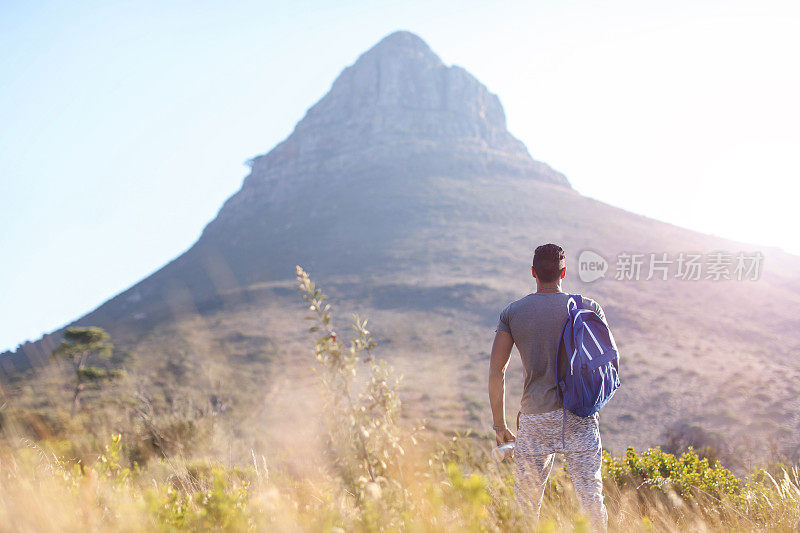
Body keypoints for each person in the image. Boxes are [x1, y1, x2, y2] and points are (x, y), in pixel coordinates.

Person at [488, 243, 609, 531]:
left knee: (527, 504)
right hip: (579, 414)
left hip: (535, 418)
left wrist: (498, 425)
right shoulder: (587, 307)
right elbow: (605, 362)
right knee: (591, 498)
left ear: (533, 273)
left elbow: (496, 370)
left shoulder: (513, 313)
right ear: (563, 272)